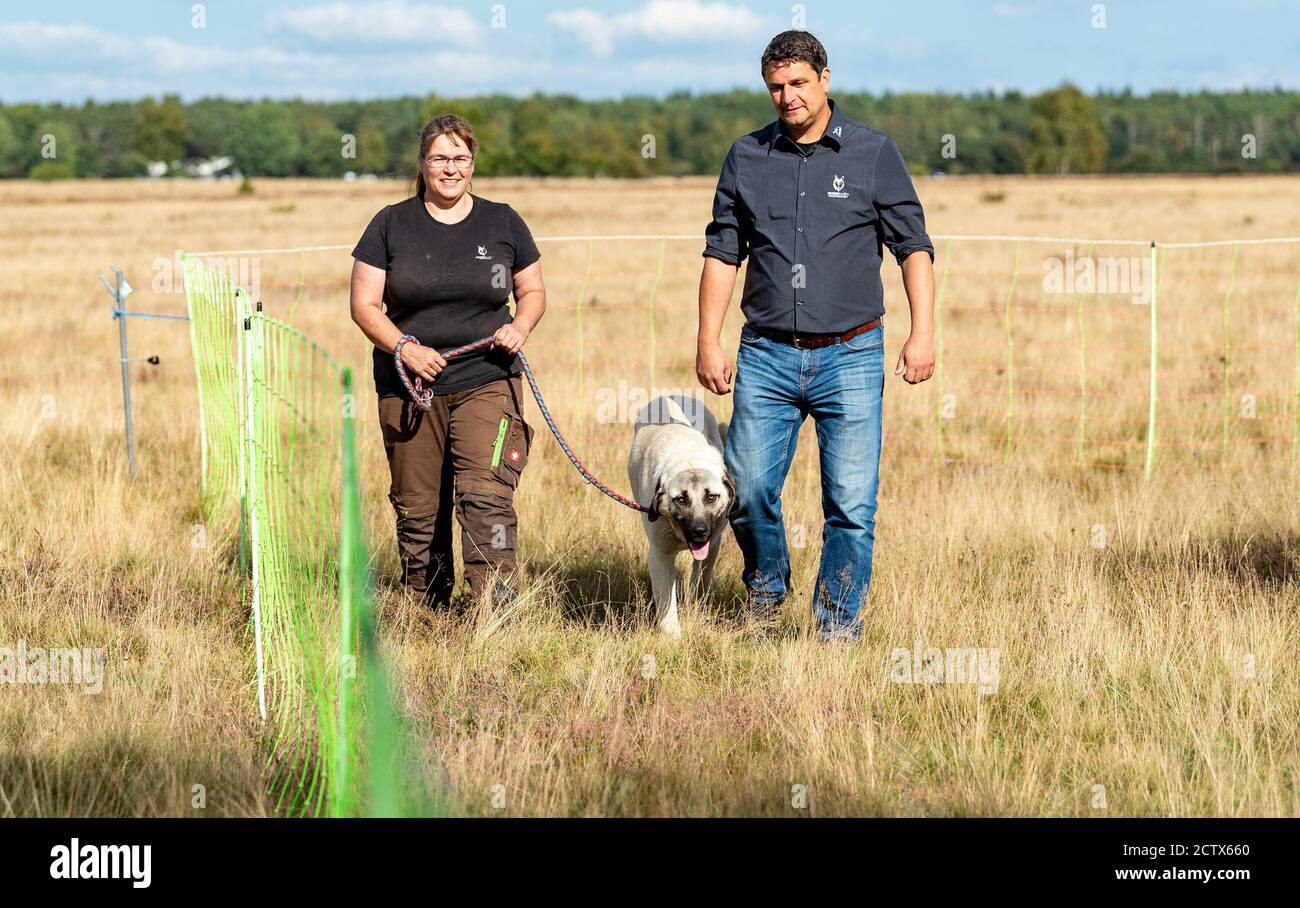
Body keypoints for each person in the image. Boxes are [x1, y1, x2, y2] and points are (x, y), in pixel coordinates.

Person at [695, 31, 937, 641]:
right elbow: (723, 251)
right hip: (767, 354)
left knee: (851, 507)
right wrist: (708, 337)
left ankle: (835, 628)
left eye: (798, 83)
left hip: (851, 354)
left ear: (825, 79)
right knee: (745, 491)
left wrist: (922, 331)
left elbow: (913, 248)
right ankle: (767, 588)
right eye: (776, 87)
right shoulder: (746, 156)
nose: (787, 97)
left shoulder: (874, 153)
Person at [349, 114, 547, 607]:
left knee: (487, 498)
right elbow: (364, 305)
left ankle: (496, 609)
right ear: (423, 164)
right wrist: (405, 348)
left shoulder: (503, 221)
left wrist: (519, 326)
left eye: (460, 158)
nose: (450, 168)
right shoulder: (390, 224)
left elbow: (533, 290)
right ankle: (427, 607)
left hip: (486, 376)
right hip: (409, 386)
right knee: (418, 509)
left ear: (473, 162)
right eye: (440, 158)